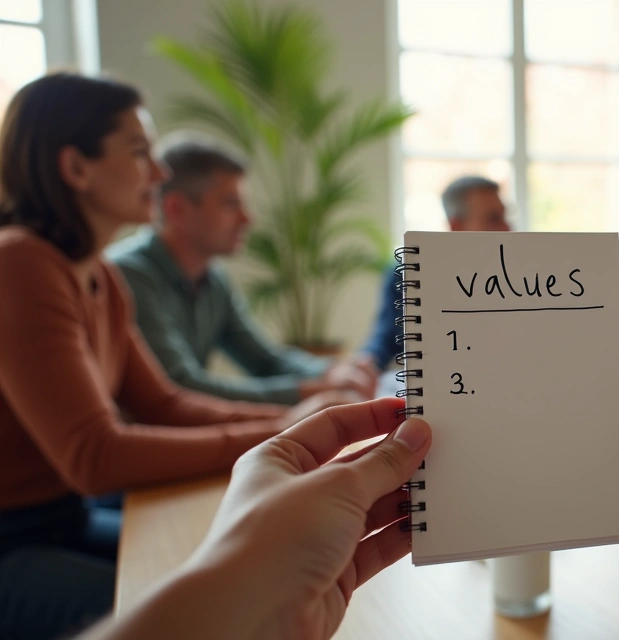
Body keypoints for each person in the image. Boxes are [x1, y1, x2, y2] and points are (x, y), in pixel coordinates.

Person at [0, 72, 353, 639]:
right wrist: (279, 435)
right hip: (14, 544)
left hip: (66, 521)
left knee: (231, 572)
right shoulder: (19, 263)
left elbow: (165, 404)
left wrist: (293, 425)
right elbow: (94, 456)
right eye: (141, 152)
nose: (160, 174)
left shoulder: (101, 276)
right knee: (222, 609)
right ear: (75, 167)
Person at [76, 398, 431, 640]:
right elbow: (96, 456)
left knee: (155, 564)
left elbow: (164, 402)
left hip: (83, 516)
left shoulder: (113, 302)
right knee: (138, 578)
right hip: (46, 531)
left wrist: (262, 609)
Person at [107, 140, 376, 404]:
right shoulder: (128, 276)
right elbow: (181, 387)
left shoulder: (213, 279)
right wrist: (310, 393)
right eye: (230, 204)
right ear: (177, 209)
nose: (247, 219)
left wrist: (331, 371)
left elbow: (264, 360)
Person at [358, 175, 511, 373]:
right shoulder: (409, 273)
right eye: (494, 219)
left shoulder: (518, 276)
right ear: (456, 227)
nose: (508, 228)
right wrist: (362, 364)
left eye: (505, 217)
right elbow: (385, 338)